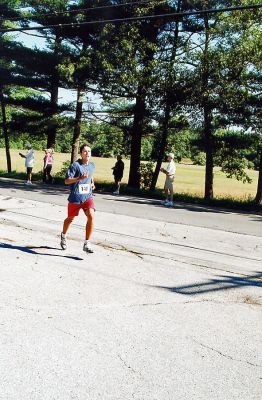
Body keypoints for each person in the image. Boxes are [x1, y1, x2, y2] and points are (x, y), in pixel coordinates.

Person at [60, 143, 96, 254]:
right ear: (81, 153)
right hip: (75, 197)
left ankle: (87, 243)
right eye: (85, 151)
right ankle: (63, 235)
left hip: (87, 197)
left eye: (89, 151)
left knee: (91, 215)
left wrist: (92, 183)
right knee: (70, 219)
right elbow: (66, 181)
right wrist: (80, 178)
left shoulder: (92, 165)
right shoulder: (75, 165)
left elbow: (90, 177)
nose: (87, 153)